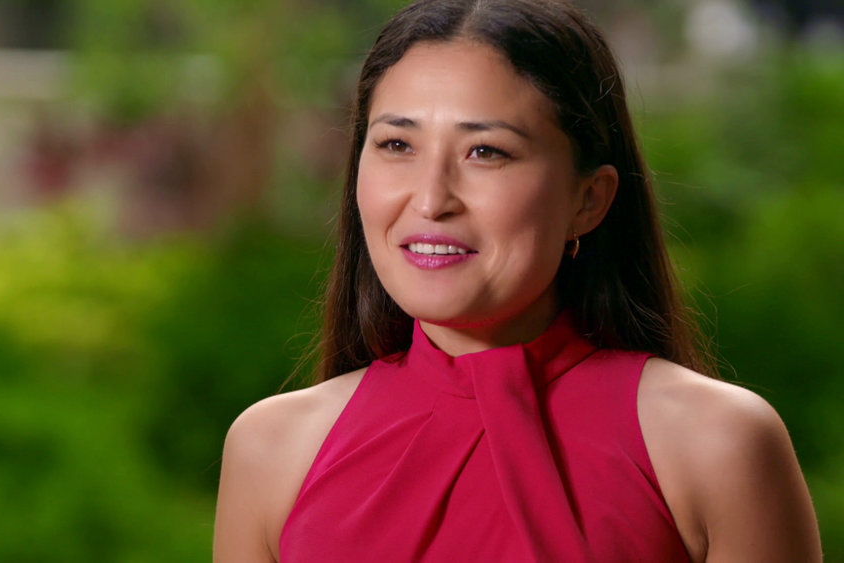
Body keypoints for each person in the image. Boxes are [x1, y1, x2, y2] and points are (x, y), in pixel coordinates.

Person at [213, 0, 823, 561]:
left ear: (589, 199)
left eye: (486, 152)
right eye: (397, 144)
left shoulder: (718, 446)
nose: (430, 200)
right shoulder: (271, 450)